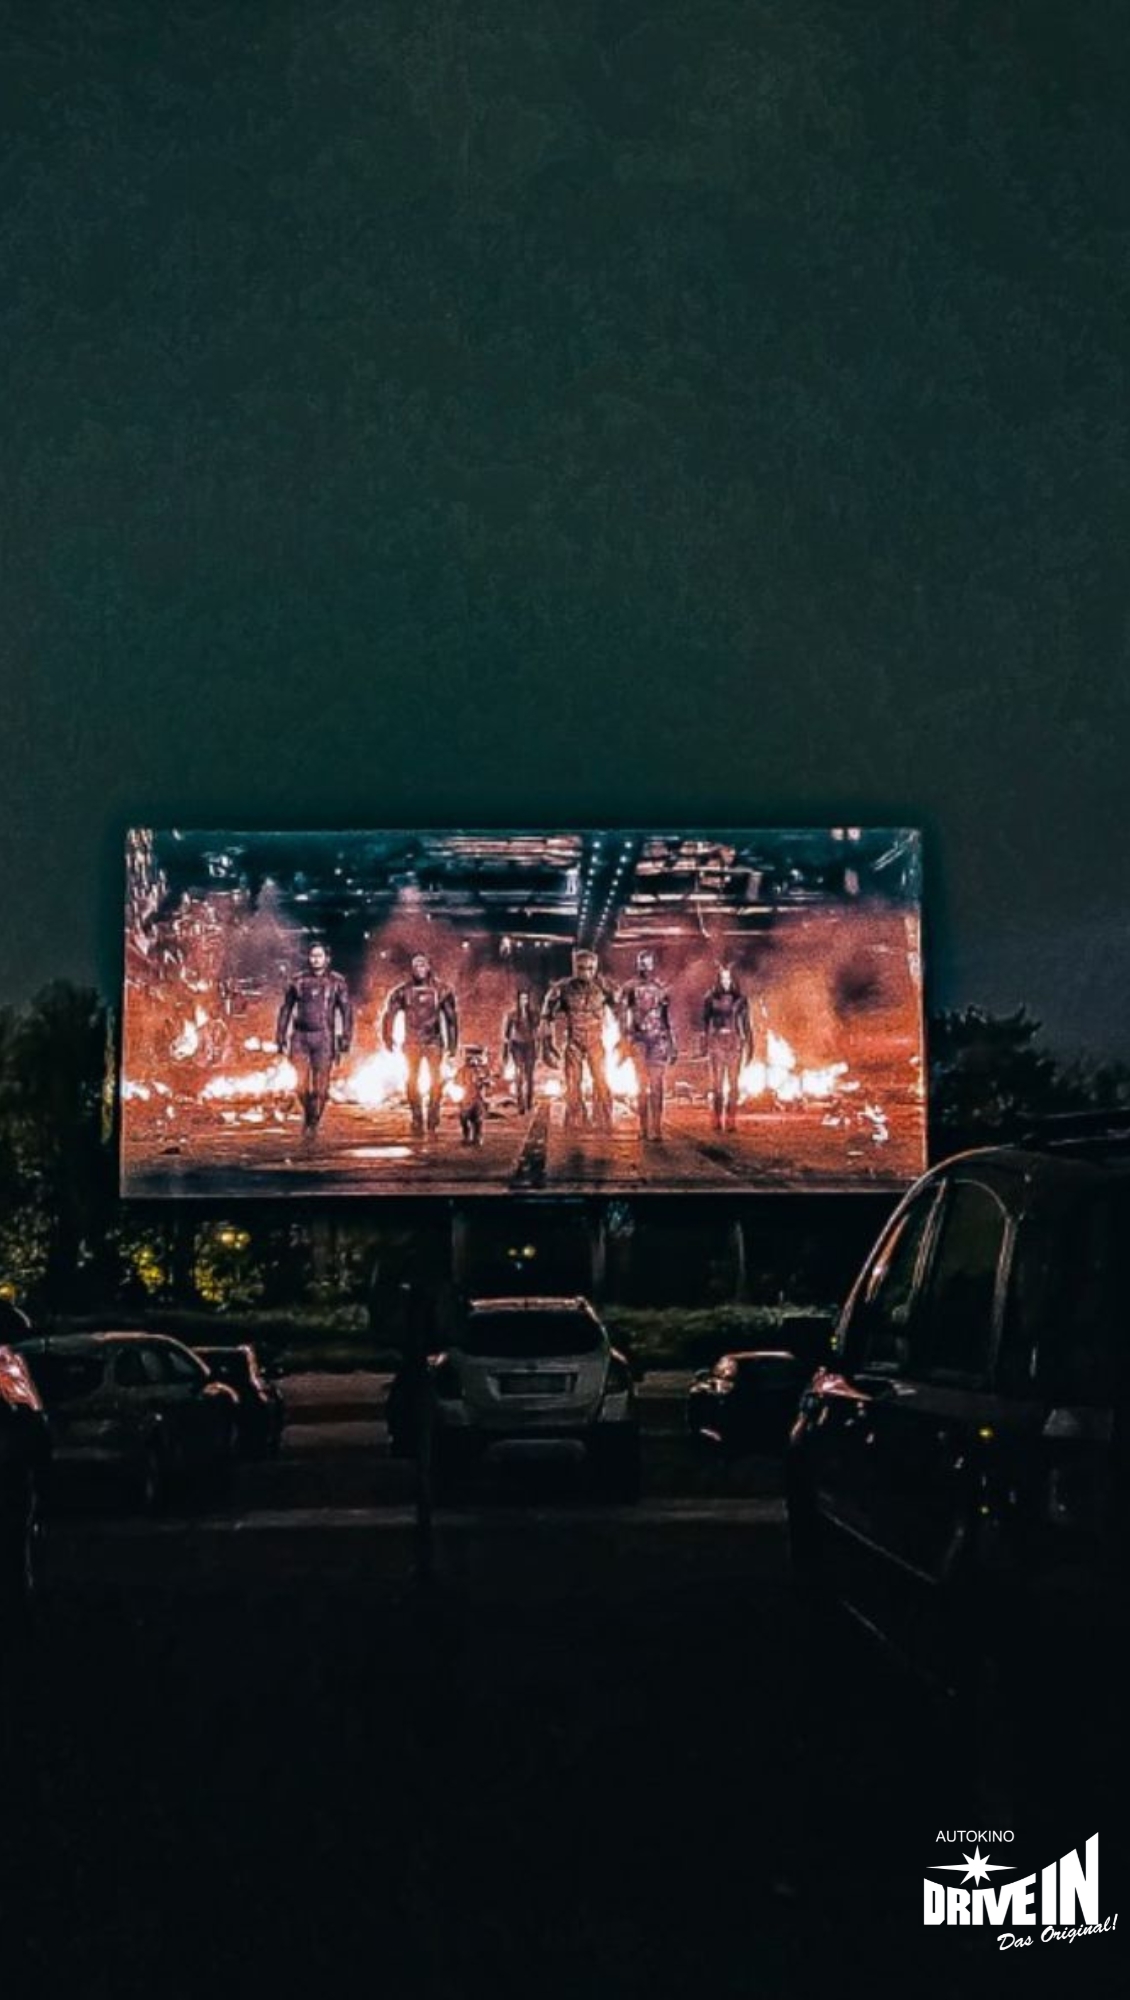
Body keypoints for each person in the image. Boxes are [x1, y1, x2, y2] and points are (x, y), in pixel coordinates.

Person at [275, 941, 353, 1133]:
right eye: (312, 956)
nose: (316, 959)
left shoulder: (337, 982)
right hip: (300, 1038)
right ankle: (309, 1115)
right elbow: (286, 1009)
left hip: (324, 1037)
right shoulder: (298, 981)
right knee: (301, 1086)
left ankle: (314, 1122)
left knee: (320, 1088)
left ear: (327, 959)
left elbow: (346, 1012)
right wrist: (280, 1034)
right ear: (308, 958)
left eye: (319, 956)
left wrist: (346, 1037)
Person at [381, 952, 459, 1136]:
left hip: (434, 1042)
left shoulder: (442, 990)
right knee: (411, 1081)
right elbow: (389, 1015)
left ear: (429, 966)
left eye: (423, 965)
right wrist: (387, 1036)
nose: (420, 969)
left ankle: (433, 1116)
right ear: (411, 969)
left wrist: (453, 1044)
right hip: (412, 1043)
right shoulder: (402, 991)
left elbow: (451, 1020)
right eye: (416, 966)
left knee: (436, 1081)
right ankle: (417, 1117)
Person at [541, 948, 618, 1133]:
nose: (586, 972)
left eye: (590, 968)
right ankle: (575, 1117)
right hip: (574, 1040)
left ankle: (603, 1117)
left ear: (595, 968)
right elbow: (546, 1015)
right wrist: (547, 1042)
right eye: (582, 968)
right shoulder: (563, 989)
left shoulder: (604, 987)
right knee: (573, 1082)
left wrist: (621, 1039)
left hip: (595, 1040)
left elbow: (621, 1010)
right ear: (576, 968)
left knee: (600, 1079)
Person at [619, 949, 678, 1142]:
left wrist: (672, 1043)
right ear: (638, 965)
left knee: (657, 1087)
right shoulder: (629, 987)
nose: (645, 967)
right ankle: (644, 1128)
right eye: (642, 963)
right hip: (638, 1041)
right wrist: (624, 1040)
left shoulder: (660, 988)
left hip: (657, 1041)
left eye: (648, 963)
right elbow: (623, 1016)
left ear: (652, 965)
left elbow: (666, 1018)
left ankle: (656, 1128)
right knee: (642, 1086)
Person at [701, 964, 752, 1133]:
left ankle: (731, 1121)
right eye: (723, 978)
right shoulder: (710, 998)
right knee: (717, 1085)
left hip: (734, 1044)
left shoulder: (740, 1000)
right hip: (716, 1044)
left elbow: (746, 1025)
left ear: (733, 980)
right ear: (718, 980)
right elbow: (705, 1024)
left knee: (733, 1084)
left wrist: (750, 1045)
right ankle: (716, 1120)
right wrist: (705, 1044)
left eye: (728, 978)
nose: (725, 981)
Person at [502, 989, 540, 1114]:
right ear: (518, 1000)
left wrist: (538, 1049)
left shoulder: (533, 1014)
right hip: (517, 1045)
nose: (524, 1001)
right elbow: (507, 1036)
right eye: (521, 999)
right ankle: (520, 1105)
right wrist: (505, 1053)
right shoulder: (512, 1015)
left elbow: (538, 1031)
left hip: (529, 1045)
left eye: (526, 999)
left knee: (529, 1076)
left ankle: (529, 1102)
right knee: (518, 1074)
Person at [454, 1044, 491, 1146]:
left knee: (478, 1120)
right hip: (466, 1100)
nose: (473, 1059)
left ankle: (477, 1136)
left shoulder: (483, 1070)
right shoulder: (462, 1071)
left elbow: (488, 1082)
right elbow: (456, 1082)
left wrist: (484, 1082)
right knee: (464, 1119)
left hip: (478, 1099)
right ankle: (466, 1136)